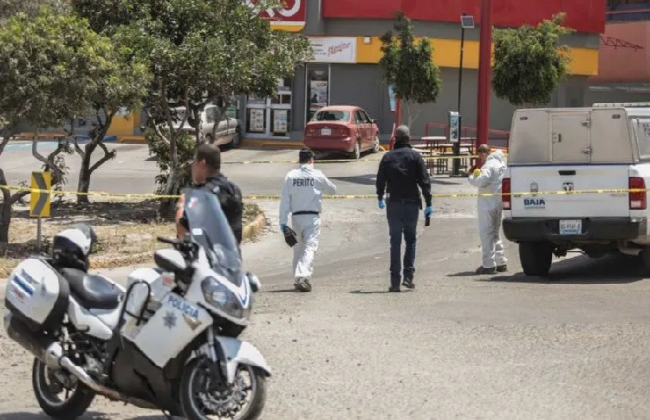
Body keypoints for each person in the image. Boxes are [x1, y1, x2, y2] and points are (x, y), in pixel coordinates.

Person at [376, 125, 433, 292]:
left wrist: (380, 197)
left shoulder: (387, 157)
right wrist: (429, 202)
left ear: (395, 139)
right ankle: (408, 277)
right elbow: (424, 181)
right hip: (411, 203)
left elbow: (380, 180)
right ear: (409, 138)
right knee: (411, 240)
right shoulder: (415, 156)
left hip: (393, 203)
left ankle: (394, 281)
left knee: (395, 242)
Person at [279, 147, 337, 292]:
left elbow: (285, 200)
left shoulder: (291, 176)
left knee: (298, 249)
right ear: (311, 160)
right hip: (312, 217)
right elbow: (333, 189)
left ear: (299, 160)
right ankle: (303, 276)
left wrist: (282, 221)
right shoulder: (317, 174)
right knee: (310, 246)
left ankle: (298, 279)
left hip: (296, 217)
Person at [175, 143, 244, 253]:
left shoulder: (201, 194)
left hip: (207, 262)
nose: (192, 166)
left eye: (194, 162)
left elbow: (182, 230)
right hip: (232, 261)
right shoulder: (233, 190)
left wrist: (181, 206)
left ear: (202, 163)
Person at [468, 144, 508, 274]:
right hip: (498, 202)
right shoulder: (501, 164)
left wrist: (471, 176)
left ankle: (488, 264)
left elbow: (480, 181)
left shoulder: (488, 166)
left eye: (480, 154)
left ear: (484, 153)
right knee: (496, 233)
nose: (480, 156)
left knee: (486, 234)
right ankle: (501, 261)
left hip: (487, 204)